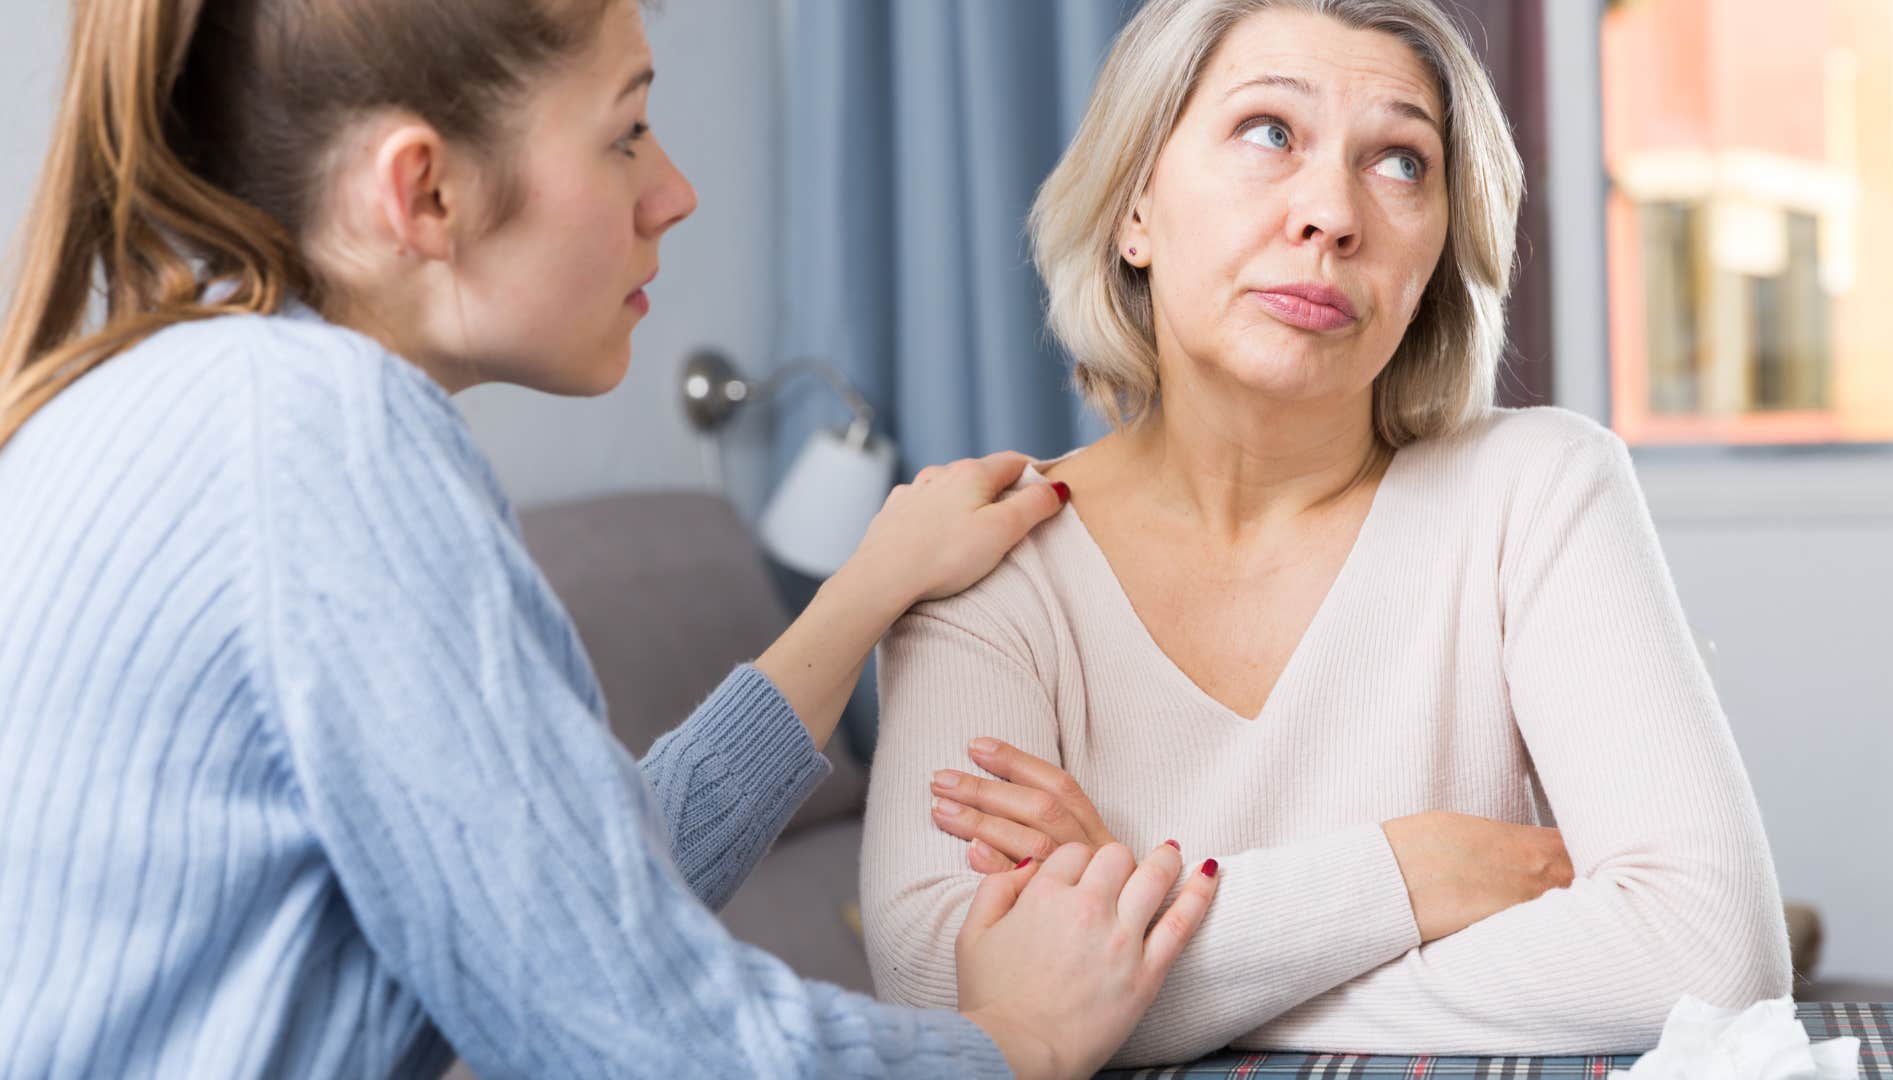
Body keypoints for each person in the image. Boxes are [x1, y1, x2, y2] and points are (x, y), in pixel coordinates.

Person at [0, 1, 1220, 1077]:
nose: (673, 190)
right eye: (626, 130)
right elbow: (640, 1038)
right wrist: (1018, 1044)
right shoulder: (325, 437)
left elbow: (573, 895)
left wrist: (869, 588)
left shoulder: (169, 397)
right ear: (422, 192)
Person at [860, 0, 1792, 1067]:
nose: (1333, 215)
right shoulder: (990, 556)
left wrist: (1143, 965)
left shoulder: (1540, 489)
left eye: (1401, 162)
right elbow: (944, 990)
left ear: (1436, 254)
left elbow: (1707, 954)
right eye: (1270, 133)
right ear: (1135, 210)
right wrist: (1409, 873)